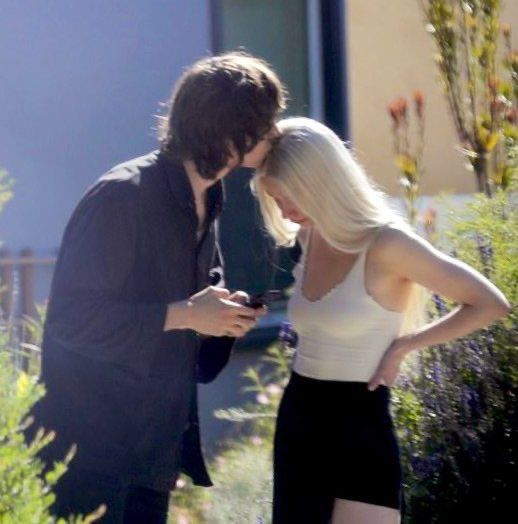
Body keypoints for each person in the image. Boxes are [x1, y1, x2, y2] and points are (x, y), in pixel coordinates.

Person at [29, 51, 286, 523]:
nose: (275, 133)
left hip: (151, 453)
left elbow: (194, 306)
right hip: (88, 457)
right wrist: (187, 314)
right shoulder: (123, 195)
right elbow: (71, 320)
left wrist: (220, 321)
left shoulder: (211, 196)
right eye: (266, 122)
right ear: (231, 128)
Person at [252, 117, 511, 524]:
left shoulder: (387, 243)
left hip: (361, 422)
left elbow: (489, 303)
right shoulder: (309, 236)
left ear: (324, 182)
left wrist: (405, 345)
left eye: (292, 197)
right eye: (276, 200)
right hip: (300, 416)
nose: (286, 211)